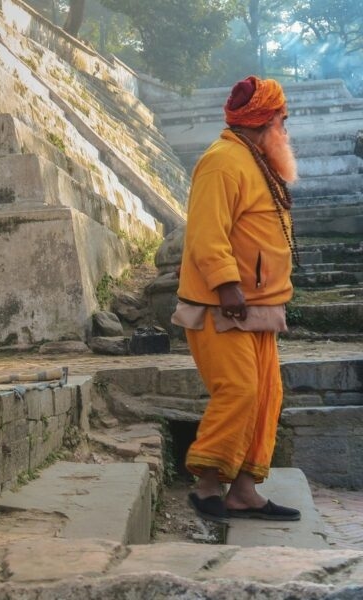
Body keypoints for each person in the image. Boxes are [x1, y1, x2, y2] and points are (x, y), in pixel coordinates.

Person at [173, 76, 301, 523]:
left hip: (259, 307)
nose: (286, 127)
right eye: (282, 119)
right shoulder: (222, 161)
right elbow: (206, 233)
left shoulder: (254, 159)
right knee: (241, 391)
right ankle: (208, 483)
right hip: (223, 306)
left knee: (267, 396)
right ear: (264, 120)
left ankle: (243, 492)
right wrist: (228, 284)